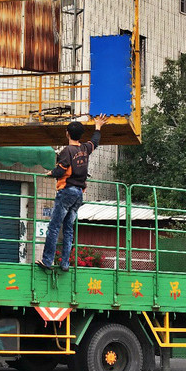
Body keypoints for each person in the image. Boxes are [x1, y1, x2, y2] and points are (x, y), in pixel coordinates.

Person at [38, 115, 109, 272]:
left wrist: (49, 173)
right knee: (68, 228)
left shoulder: (67, 151)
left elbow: (60, 170)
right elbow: (95, 141)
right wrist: (98, 126)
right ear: (80, 135)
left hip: (67, 191)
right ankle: (64, 263)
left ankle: (47, 261)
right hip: (79, 193)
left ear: (67, 133)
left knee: (54, 227)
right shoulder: (85, 149)